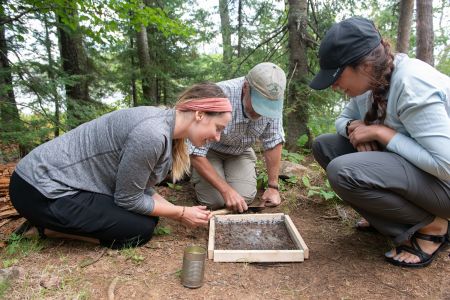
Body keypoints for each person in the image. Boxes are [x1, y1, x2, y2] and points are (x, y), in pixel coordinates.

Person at [9, 82, 232, 249]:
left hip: (53, 183)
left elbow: (138, 187)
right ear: (200, 115)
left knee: (149, 217)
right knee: (138, 231)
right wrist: (181, 212)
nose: (218, 137)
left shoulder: (165, 127)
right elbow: (128, 198)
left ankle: (55, 222)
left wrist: (180, 211)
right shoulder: (152, 134)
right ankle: (47, 229)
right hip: (40, 189)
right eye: (218, 128)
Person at [310, 17, 450, 268]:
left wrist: (383, 134)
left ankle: (434, 226)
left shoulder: (411, 84)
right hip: (425, 178)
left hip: (445, 183)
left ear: (363, 65)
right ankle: (397, 221)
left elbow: (446, 165)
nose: (333, 86)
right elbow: (342, 119)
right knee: (326, 146)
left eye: (337, 76)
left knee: (344, 171)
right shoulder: (373, 82)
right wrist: (355, 126)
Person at [189, 62, 286, 212]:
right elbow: (196, 149)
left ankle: (226, 175)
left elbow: (273, 140)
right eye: (258, 104)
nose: (261, 112)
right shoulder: (220, 94)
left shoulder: (273, 100)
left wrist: (273, 187)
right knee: (214, 201)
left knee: (243, 198)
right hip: (209, 151)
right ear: (246, 87)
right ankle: (192, 170)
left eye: (268, 107)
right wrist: (226, 190)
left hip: (240, 152)